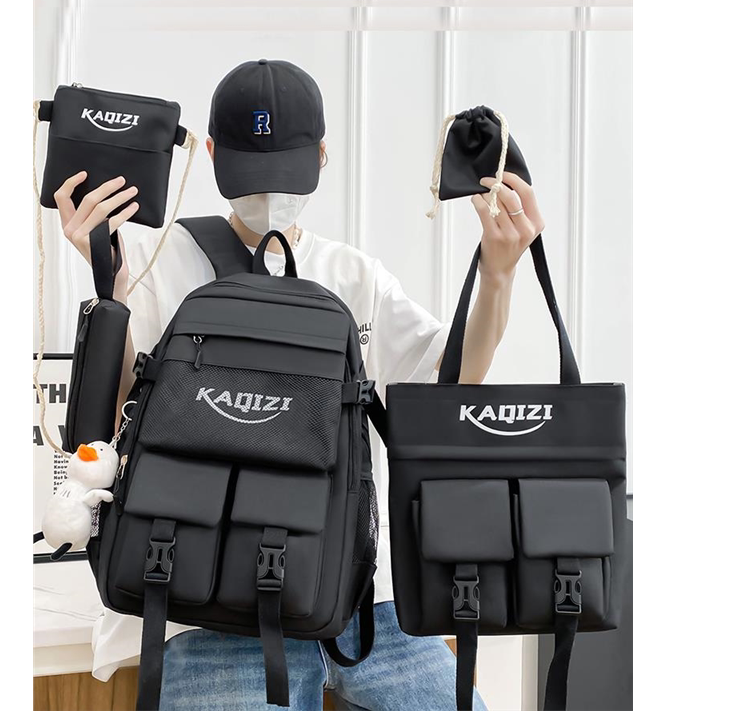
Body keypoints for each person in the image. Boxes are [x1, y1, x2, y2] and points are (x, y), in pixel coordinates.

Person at [53, 59, 545, 711]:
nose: (268, 193)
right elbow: (116, 421)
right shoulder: (148, 260)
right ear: (210, 154)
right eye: (251, 171)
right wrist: (108, 287)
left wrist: (499, 274)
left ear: (321, 156)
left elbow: (447, 385)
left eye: (284, 170)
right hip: (204, 599)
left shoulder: (356, 276)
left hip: (363, 597)